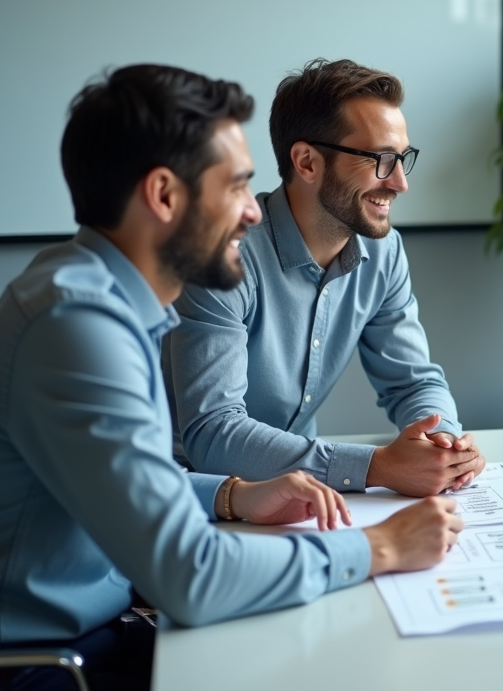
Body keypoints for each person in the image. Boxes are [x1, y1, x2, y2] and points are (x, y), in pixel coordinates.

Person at [0, 65, 462, 690]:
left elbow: (132, 486)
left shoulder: (100, 297)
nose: (252, 212)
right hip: (49, 663)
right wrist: (380, 548)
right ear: (164, 196)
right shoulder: (79, 328)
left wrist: (230, 496)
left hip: (105, 624)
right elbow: (189, 575)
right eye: (237, 187)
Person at [163, 59, 485, 497]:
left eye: (403, 158)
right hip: (192, 499)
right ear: (307, 162)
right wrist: (375, 467)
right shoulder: (222, 257)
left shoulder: (383, 250)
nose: (400, 183)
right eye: (381, 160)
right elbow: (212, 434)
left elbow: (413, 381)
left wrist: (442, 442)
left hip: (303, 497)